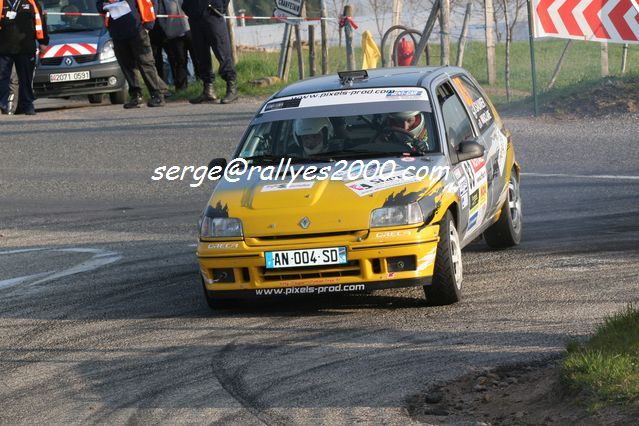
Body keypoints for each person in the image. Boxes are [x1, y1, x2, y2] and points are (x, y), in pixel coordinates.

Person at [96, 0, 167, 108]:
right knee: (126, 65)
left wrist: (148, 25)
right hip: (117, 32)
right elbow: (99, 4)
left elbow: (152, 2)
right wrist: (104, 5)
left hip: (137, 29)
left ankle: (157, 94)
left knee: (145, 63)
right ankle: (136, 96)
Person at [182, 0, 238, 104]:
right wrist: (188, 8)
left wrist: (219, 7)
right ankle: (208, 90)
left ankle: (232, 87)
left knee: (222, 51)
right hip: (195, 15)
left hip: (212, 13)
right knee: (201, 53)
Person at [0, 0, 49, 115]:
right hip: (3, 49)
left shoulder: (32, 2)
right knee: (2, 78)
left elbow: (40, 22)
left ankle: (27, 105)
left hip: (26, 48)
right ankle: (2, 105)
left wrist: (43, 41)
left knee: (26, 79)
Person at [149, 0, 189, 92]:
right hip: (154, 28)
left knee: (175, 58)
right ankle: (160, 88)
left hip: (171, 29)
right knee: (156, 60)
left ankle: (179, 86)